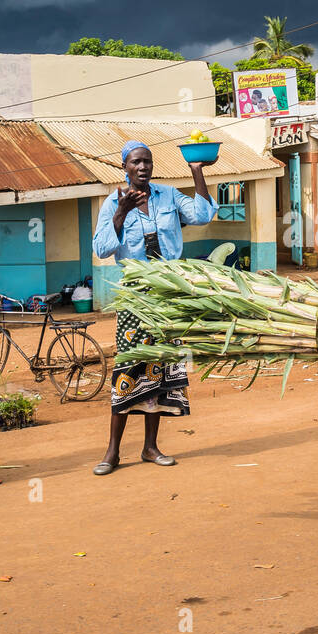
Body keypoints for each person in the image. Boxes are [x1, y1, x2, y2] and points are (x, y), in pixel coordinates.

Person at [91, 141, 218, 472]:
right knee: (128, 368)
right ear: (125, 167)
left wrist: (197, 172)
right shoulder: (112, 202)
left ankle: (150, 447)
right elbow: (102, 249)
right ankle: (112, 453)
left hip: (169, 292)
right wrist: (121, 213)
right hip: (135, 295)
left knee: (160, 371)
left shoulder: (169, 195)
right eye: (136, 162)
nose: (142, 167)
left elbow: (203, 215)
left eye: (147, 161)